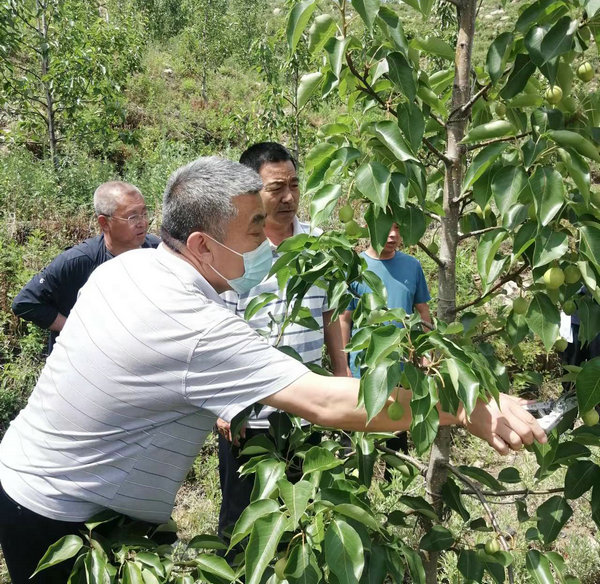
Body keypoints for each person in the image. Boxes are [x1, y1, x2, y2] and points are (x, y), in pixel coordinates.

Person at [0, 157, 546, 584]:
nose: (267, 242)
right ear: (201, 245)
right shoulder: (192, 324)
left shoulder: (130, 268)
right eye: (255, 231)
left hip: (35, 483)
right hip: (62, 520)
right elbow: (329, 403)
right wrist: (465, 406)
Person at [217, 142, 350, 546]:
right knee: (243, 523)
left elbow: (333, 312)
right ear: (250, 192)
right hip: (249, 415)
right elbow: (219, 328)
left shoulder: (318, 244)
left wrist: (343, 374)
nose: (289, 197)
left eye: (294, 184)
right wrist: (224, 403)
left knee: (309, 519)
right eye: (277, 188)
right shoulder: (233, 253)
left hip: (310, 410)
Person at [11, 180, 160, 353]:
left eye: (144, 213)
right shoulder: (78, 261)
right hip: (82, 360)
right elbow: (25, 303)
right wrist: (76, 330)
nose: (142, 222)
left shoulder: (157, 251)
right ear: (104, 223)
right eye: (132, 217)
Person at [339, 223, 432, 470]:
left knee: (397, 436)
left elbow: (423, 312)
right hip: (362, 366)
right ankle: (350, 489)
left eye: (399, 229)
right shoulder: (355, 266)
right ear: (370, 228)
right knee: (353, 437)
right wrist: (344, 364)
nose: (393, 235)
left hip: (402, 367)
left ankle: (395, 489)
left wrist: (425, 355)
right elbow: (344, 319)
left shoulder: (412, 266)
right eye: (387, 228)